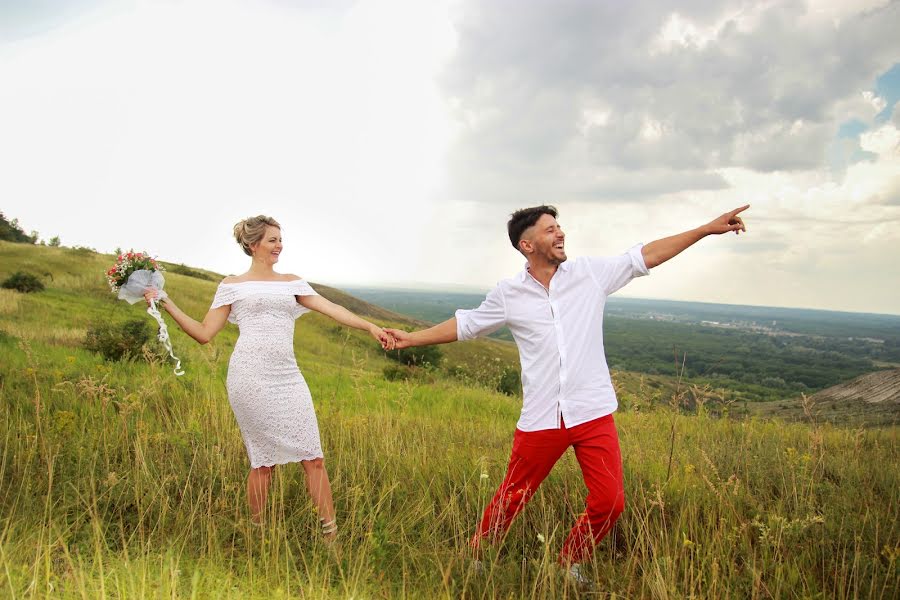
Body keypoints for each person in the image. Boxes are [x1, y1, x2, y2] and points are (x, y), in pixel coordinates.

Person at [385, 204, 748, 585]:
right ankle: (478, 554)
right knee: (513, 496)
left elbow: (647, 254)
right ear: (527, 245)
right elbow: (467, 325)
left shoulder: (589, 274)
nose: (560, 234)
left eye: (560, 227)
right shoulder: (509, 294)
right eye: (550, 230)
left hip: (592, 413)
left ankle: (568, 562)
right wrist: (411, 338)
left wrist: (707, 229)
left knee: (611, 502)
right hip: (543, 417)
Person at [144, 215, 395, 539]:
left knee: (314, 457)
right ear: (253, 244)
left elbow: (330, 307)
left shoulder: (292, 282)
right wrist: (167, 302)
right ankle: (258, 537)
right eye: (273, 239)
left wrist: (370, 326)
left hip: (288, 377)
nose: (280, 245)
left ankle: (332, 539)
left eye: (280, 239)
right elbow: (204, 333)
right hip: (249, 377)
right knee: (263, 462)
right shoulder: (231, 285)